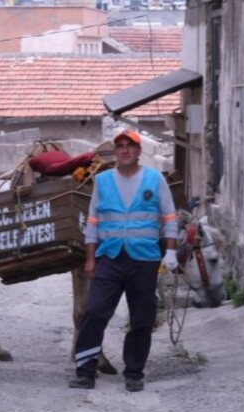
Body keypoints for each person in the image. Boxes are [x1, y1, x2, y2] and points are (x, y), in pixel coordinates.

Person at [68, 128, 179, 392]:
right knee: (94, 311)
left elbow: (170, 218)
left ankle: (134, 372)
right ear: (115, 152)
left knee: (142, 318)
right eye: (120, 146)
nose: (125, 150)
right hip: (110, 257)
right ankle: (85, 371)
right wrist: (90, 258)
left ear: (139, 151)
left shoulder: (154, 180)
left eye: (130, 146)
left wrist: (172, 252)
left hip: (144, 260)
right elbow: (93, 222)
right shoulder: (103, 181)